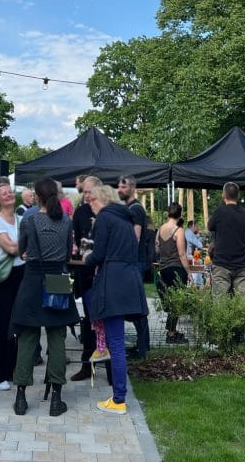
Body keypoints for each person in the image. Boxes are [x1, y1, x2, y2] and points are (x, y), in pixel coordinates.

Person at [9, 179, 79, 417]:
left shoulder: (29, 220)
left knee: (28, 335)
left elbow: (22, 250)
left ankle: (20, 397)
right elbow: (70, 249)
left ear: (37, 196)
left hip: (32, 278)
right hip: (58, 276)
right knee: (57, 335)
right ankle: (56, 398)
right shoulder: (66, 220)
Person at [83, 183, 148, 416]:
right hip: (128, 281)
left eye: (90, 199)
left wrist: (85, 259)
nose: (89, 203)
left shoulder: (104, 218)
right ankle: (118, 395)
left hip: (112, 283)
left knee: (117, 345)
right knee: (118, 342)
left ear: (99, 199)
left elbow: (99, 255)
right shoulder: (126, 218)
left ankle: (119, 399)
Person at [0, 181, 24, 391]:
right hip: (2, 277)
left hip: (21, 274)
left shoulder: (21, 218)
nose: (9, 194)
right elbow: (10, 248)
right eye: (4, 193)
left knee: (16, 325)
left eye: (10, 192)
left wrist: (23, 247)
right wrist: (24, 246)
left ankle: (12, 369)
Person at [70, 175, 102, 382]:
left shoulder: (106, 212)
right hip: (85, 272)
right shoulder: (80, 212)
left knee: (105, 319)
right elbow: (75, 238)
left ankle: (108, 362)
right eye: (85, 191)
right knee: (89, 319)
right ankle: (87, 364)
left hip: (104, 275)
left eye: (90, 191)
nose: (86, 195)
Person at [117, 174, 151, 359]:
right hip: (132, 263)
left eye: (123, 187)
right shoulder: (128, 208)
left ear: (131, 187)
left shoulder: (136, 209)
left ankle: (143, 347)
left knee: (137, 304)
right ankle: (142, 345)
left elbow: (135, 238)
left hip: (134, 263)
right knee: (133, 303)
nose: (119, 190)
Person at [207, 182, 245, 296]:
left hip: (222, 262)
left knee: (220, 304)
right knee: (244, 303)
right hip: (242, 262)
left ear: (224, 195)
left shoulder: (220, 211)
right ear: (238, 196)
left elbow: (210, 227)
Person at [154, 202, 191, 342]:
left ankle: (172, 330)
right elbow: (182, 254)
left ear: (168, 213)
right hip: (176, 268)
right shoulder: (178, 230)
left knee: (171, 300)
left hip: (164, 269)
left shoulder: (160, 229)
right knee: (176, 301)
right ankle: (171, 334)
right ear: (180, 214)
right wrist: (188, 272)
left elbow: (157, 249)